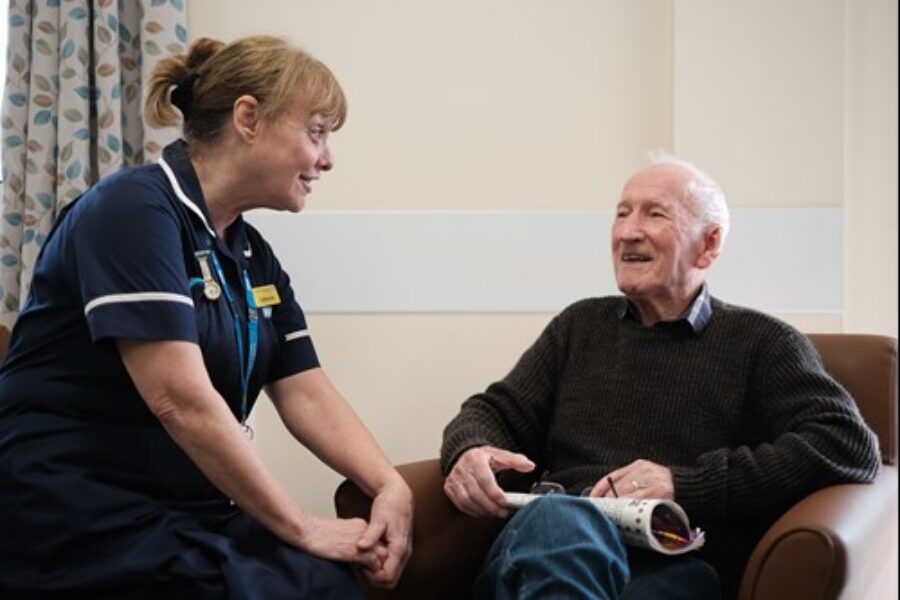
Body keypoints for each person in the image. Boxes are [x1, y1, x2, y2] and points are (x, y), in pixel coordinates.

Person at [0, 35, 412, 598]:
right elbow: (180, 401)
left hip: (182, 507)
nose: (327, 159)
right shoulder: (132, 210)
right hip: (78, 508)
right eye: (315, 133)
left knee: (327, 583)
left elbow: (304, 390)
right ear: (249, 118)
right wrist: (301, 525)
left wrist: (390, 484)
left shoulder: (250, 254)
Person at [440, 154, 880, 599]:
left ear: (709, 244)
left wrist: (683, 484)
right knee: (561, 518)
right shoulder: (579, 326)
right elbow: (492, 411)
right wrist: (471, 450)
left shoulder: (763, 343)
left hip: (675, 561)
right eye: (621, 213)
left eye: (655, 213)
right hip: (549, 541)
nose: (628, 231)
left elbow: (848, 444)